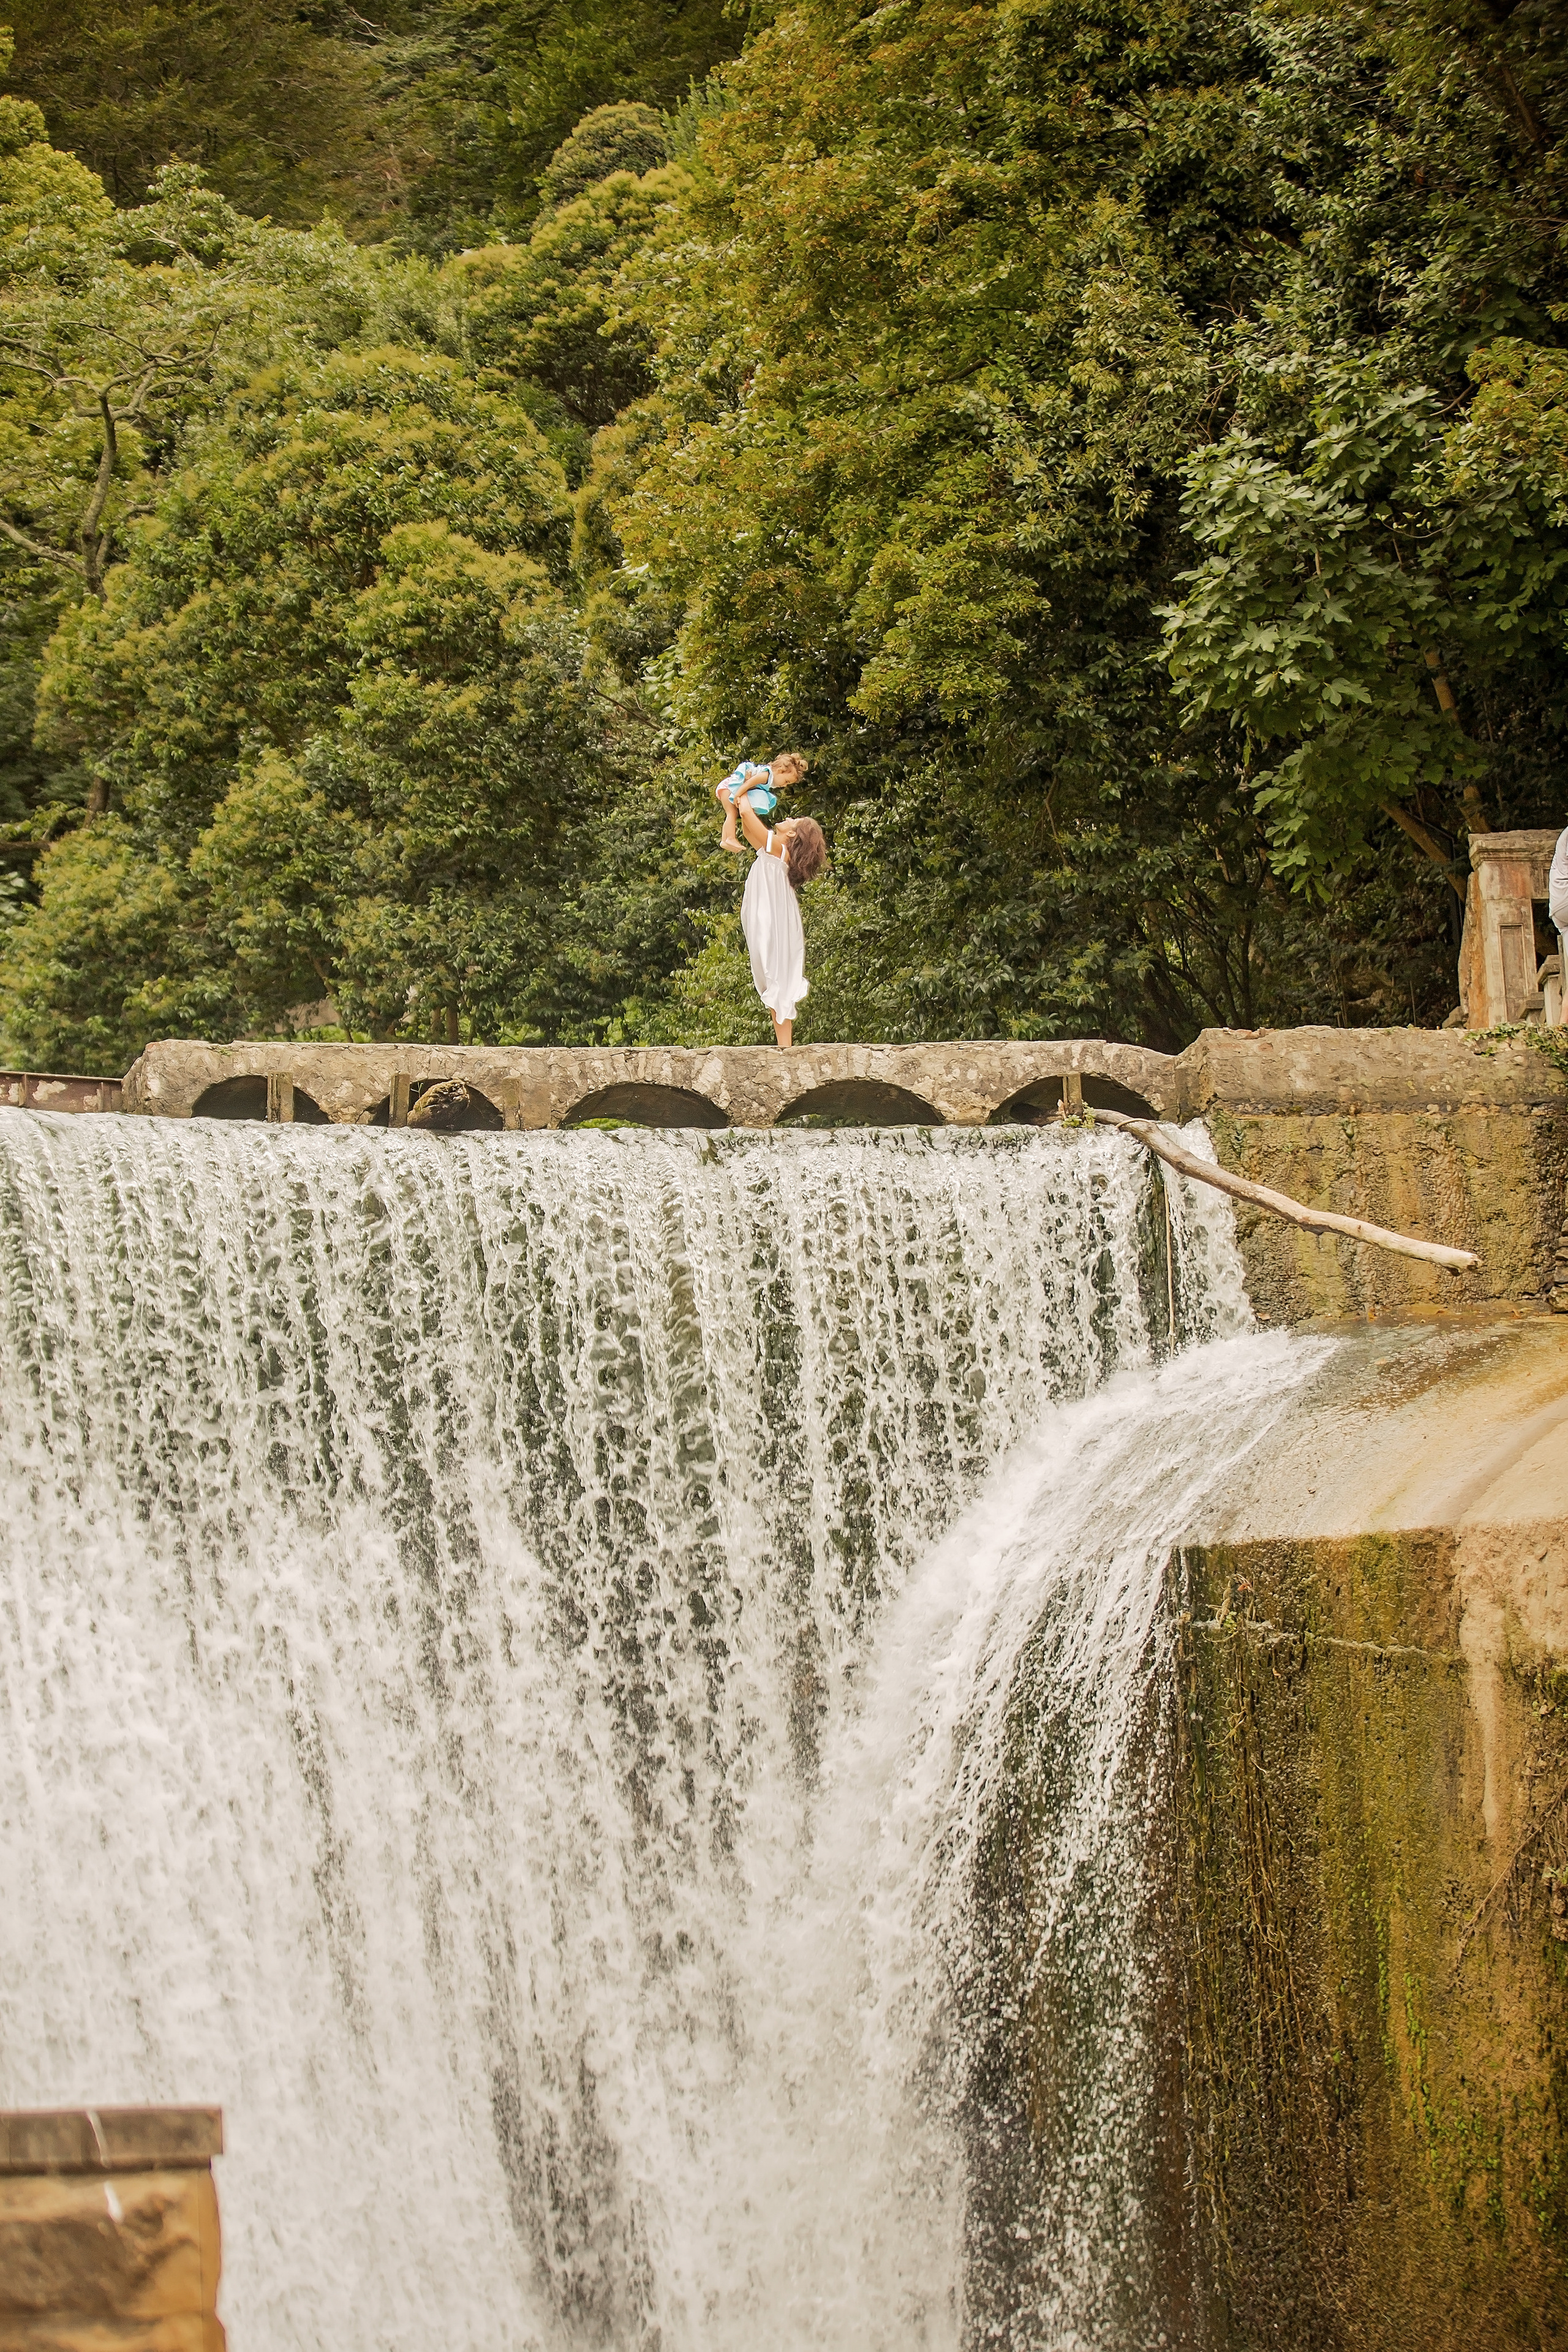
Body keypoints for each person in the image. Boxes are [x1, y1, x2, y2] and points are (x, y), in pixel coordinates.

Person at [716, 761, 827, 1046]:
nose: (788, 818)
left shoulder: (777, 850)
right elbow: (748, 825)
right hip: (771, 906)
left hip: (771, 911)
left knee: (774, 971)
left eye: (794, 821)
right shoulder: (771, 851)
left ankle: (785, 1046)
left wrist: (741, 788)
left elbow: (747, 814)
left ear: (792, 835)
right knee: (770, 972)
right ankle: (784, 1044)